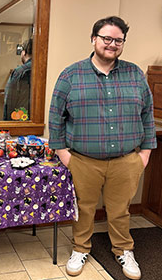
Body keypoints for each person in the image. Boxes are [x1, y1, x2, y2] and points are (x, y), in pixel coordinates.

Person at [48, 16, 156, 280]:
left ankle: (123, 250)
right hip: (83, 160)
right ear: (93, 39)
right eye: (106, 38)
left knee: (120, 210)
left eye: (118, 40)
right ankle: (80, 249)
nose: (112, 44)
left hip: (126, 160)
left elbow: (147, 115)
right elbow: (55, 117)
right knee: (83, 209)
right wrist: (63, 153)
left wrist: (144, 154)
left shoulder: (135, 75)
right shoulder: (71, 75)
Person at [3, 38, 32, 120]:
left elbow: (9, 101)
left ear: (24, 52)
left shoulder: (19, 72)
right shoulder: (43, 71)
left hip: (20, 119)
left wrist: (6, 124)